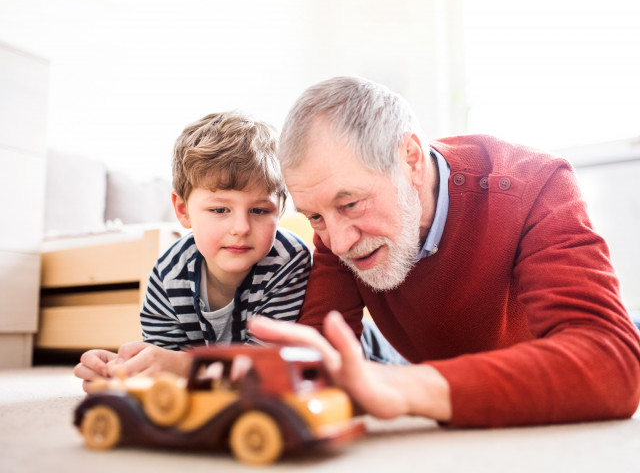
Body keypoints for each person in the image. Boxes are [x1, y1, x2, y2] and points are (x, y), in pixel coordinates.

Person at [248, 76, 640, 428]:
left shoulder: (533, 184)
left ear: (411, 160)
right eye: (315, 216)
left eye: (351, 205)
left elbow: (613, 365)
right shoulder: (338, 227)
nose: (337, 243)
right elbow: (314, 368)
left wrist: (406, 388)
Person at [74, 112, 312, 392]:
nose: (240, 227)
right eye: (220, 210)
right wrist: (120, 369)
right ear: (182, 210)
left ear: (281, 210)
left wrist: (182, 367)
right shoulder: (168, 274)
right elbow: (166, 365)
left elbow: (271, 370)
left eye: (259, 210)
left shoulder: (290, 262)